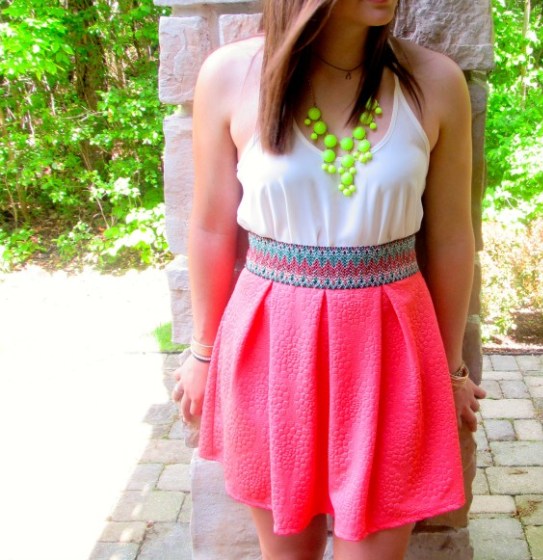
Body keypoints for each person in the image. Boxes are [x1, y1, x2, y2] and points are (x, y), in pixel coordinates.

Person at [172, 0, 486, 558]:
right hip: (272, 347)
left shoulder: (435, 82)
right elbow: (211, 228)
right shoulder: (231, 76)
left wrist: (451, 368)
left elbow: (452, 239)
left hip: (391, 350)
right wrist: (202, 352)